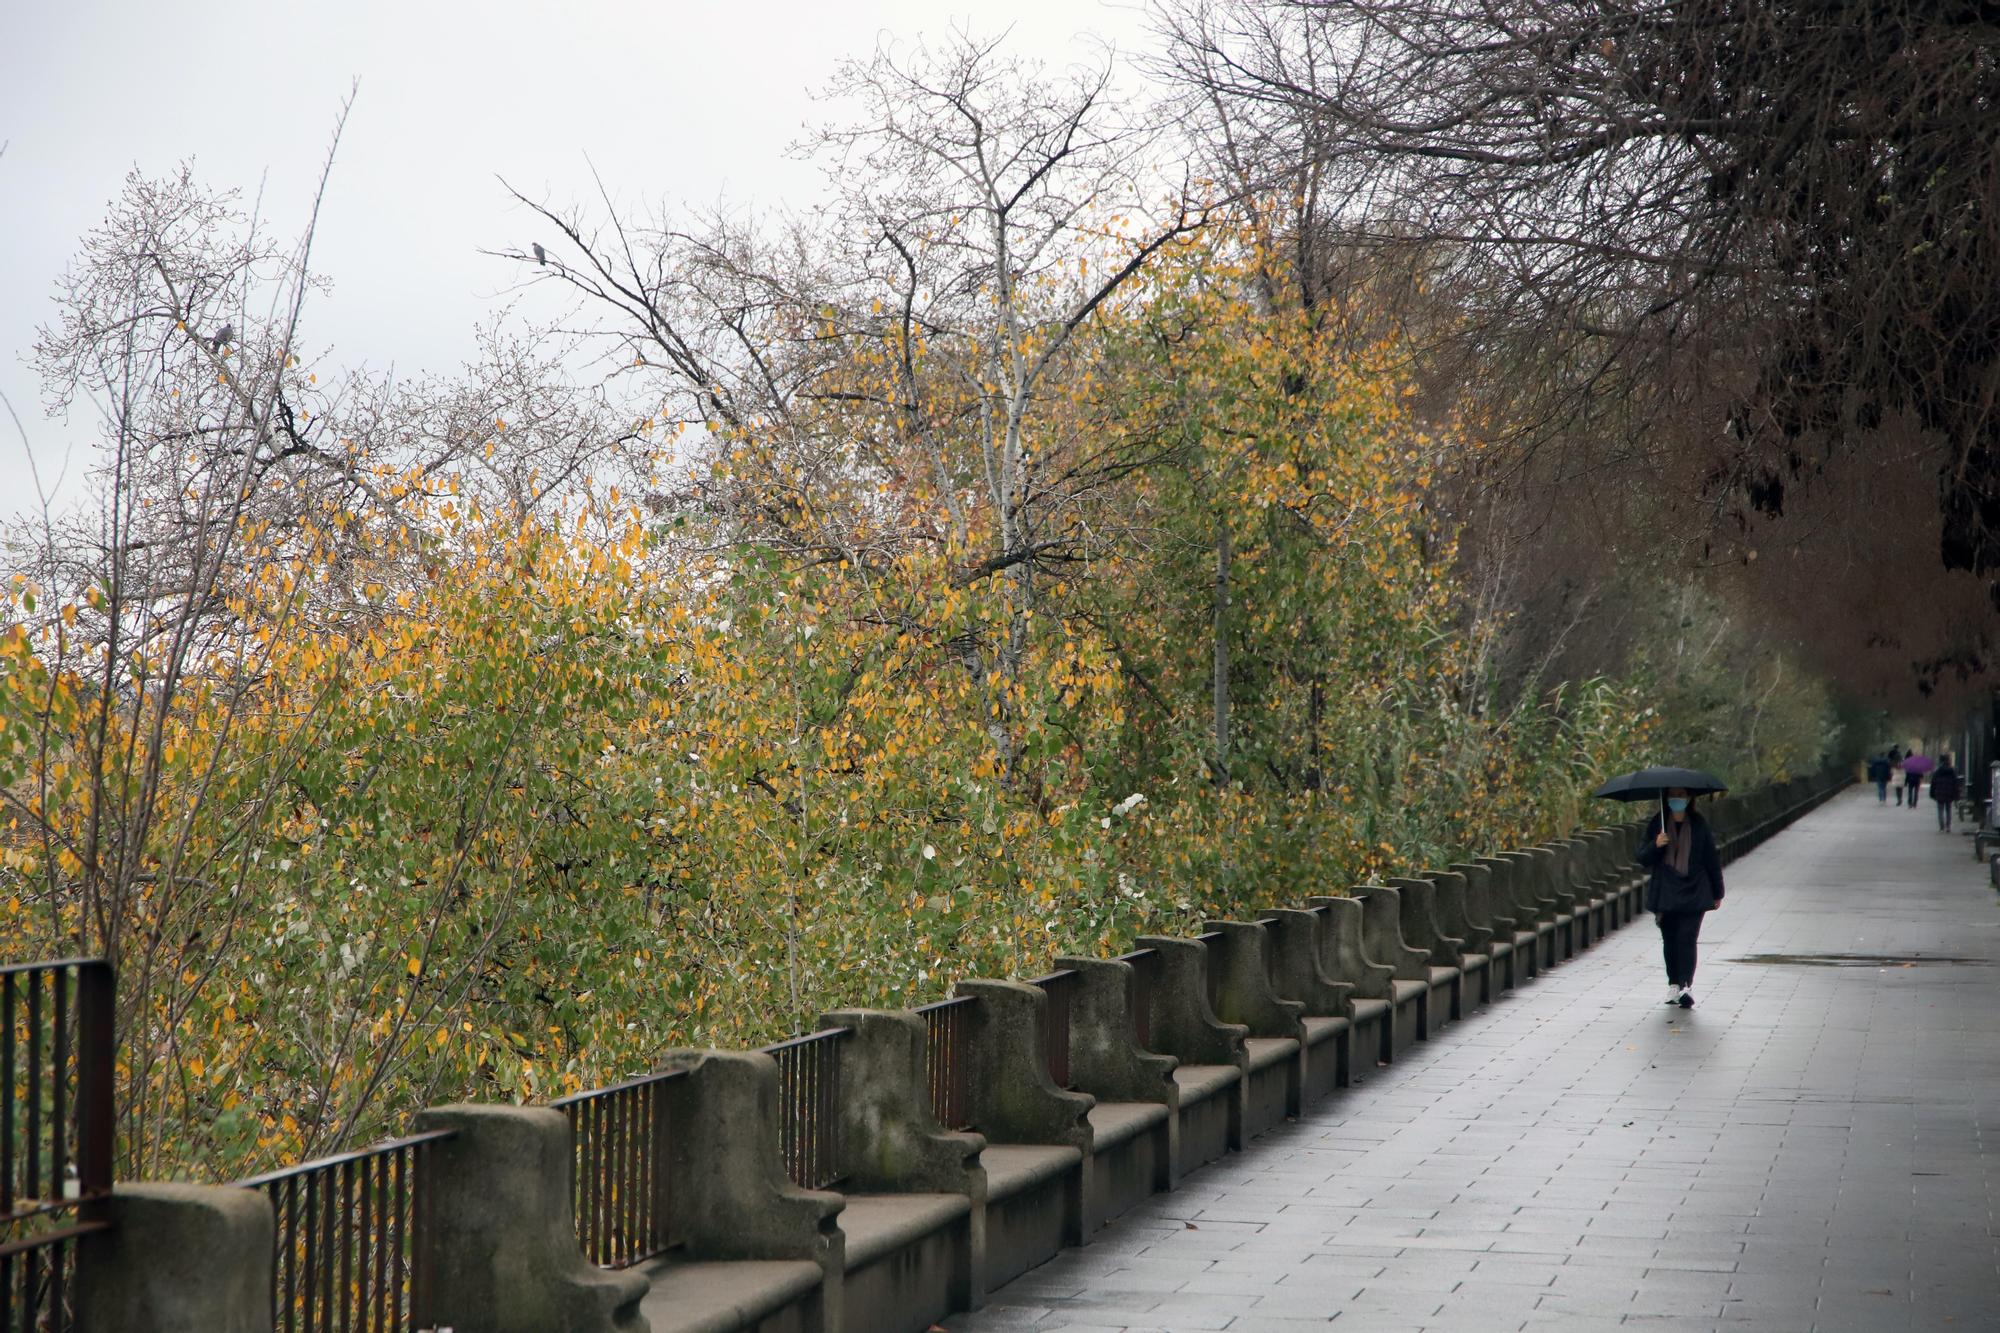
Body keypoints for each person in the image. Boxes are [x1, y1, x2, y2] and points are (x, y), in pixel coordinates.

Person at [1636, 787, 1724, 1009]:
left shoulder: (1698, 824)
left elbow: (1711, 858)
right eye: (1673, 795)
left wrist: (1717, 891)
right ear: (1666, 797)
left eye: (1682, 795)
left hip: (1694, 889)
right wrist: (1655, 846)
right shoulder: (1659, 823)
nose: (1678, 799)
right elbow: (1642, 858)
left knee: (1688, 937)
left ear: (1689, 798)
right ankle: (1673, 983)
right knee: (1671, 939)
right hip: (1666, 890)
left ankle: (1686, 985)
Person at [1931, 755, 1961, 832]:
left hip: (1940, 793)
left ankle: (1941, 827)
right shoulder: (1952, 771)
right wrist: (1956, 795)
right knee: (1948, 810)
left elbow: (1933, 783)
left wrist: (1932, 793)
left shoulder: (1937, 771)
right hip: (1949, 793)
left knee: (1940, 810)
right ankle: (1948, 826)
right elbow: (1956, 784)